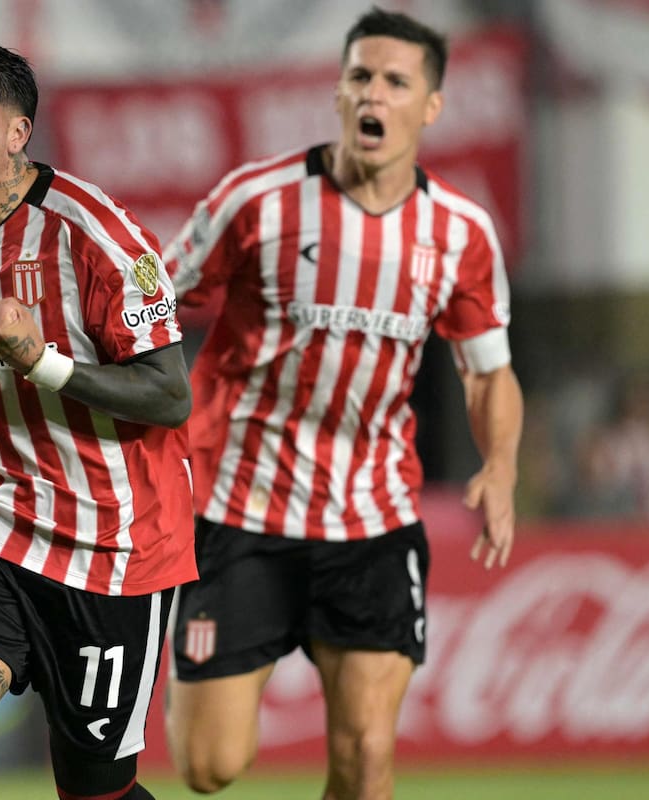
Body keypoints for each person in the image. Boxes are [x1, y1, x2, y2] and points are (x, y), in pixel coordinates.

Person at [162, 8, 523, 798]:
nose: (375, 93)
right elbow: (147, 306)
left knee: (365, 761)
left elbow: (488, 372)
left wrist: (499, 468)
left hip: (372, 521)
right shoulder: (256, 201)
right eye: (361, 75)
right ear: (339, 91)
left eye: (397, 81)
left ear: (430, 106)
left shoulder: (461, 232)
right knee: (208, 767)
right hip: (236, 512)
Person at [0, 34, 197, 800]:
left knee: (93, 790)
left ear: (18, 133)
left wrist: (44, 363)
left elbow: (168, 394)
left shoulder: (97, 235)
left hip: (113, 543)